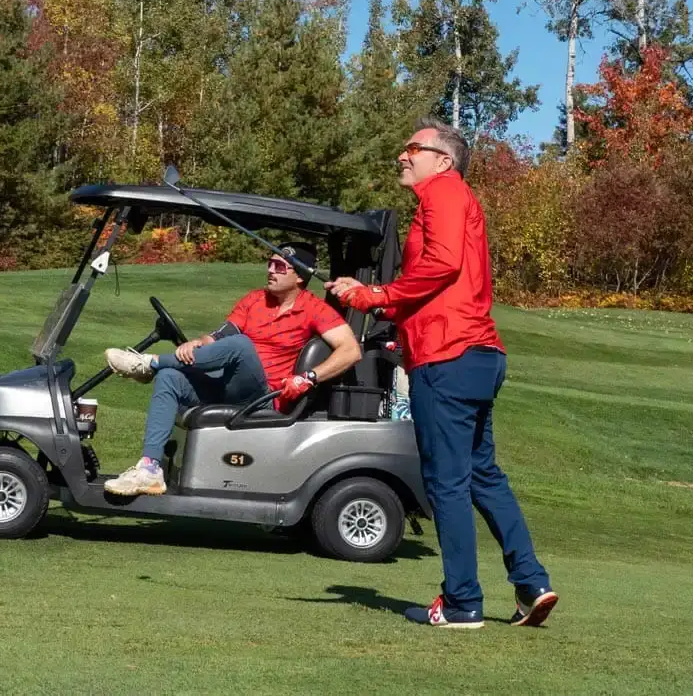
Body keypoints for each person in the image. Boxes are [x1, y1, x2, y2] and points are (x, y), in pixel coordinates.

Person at [327, 118, 557, 630]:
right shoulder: (448, 199)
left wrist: (378, 293)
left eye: (413, 148)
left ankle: (461, 603)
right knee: (482, 474)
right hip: (473, 354)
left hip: (448, 356)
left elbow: (443, 263)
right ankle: (531, 582)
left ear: (443, 160)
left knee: (446, 482)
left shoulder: (444, 191)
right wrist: (382, 309)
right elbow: (435, 284)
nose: (402, 156)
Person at [103, 242, 362, 497]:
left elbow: (351, 350)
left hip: (264, 396)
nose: (270, 270)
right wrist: (198, 343)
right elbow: (218, 336)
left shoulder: (315, 309)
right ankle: (150, 468)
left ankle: (150, 363)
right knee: (170, 376)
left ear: (300, 277)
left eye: (280, 267)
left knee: (240, 345)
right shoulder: (254, 299)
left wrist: (309, 378)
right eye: (270, 264)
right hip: (227, 385)